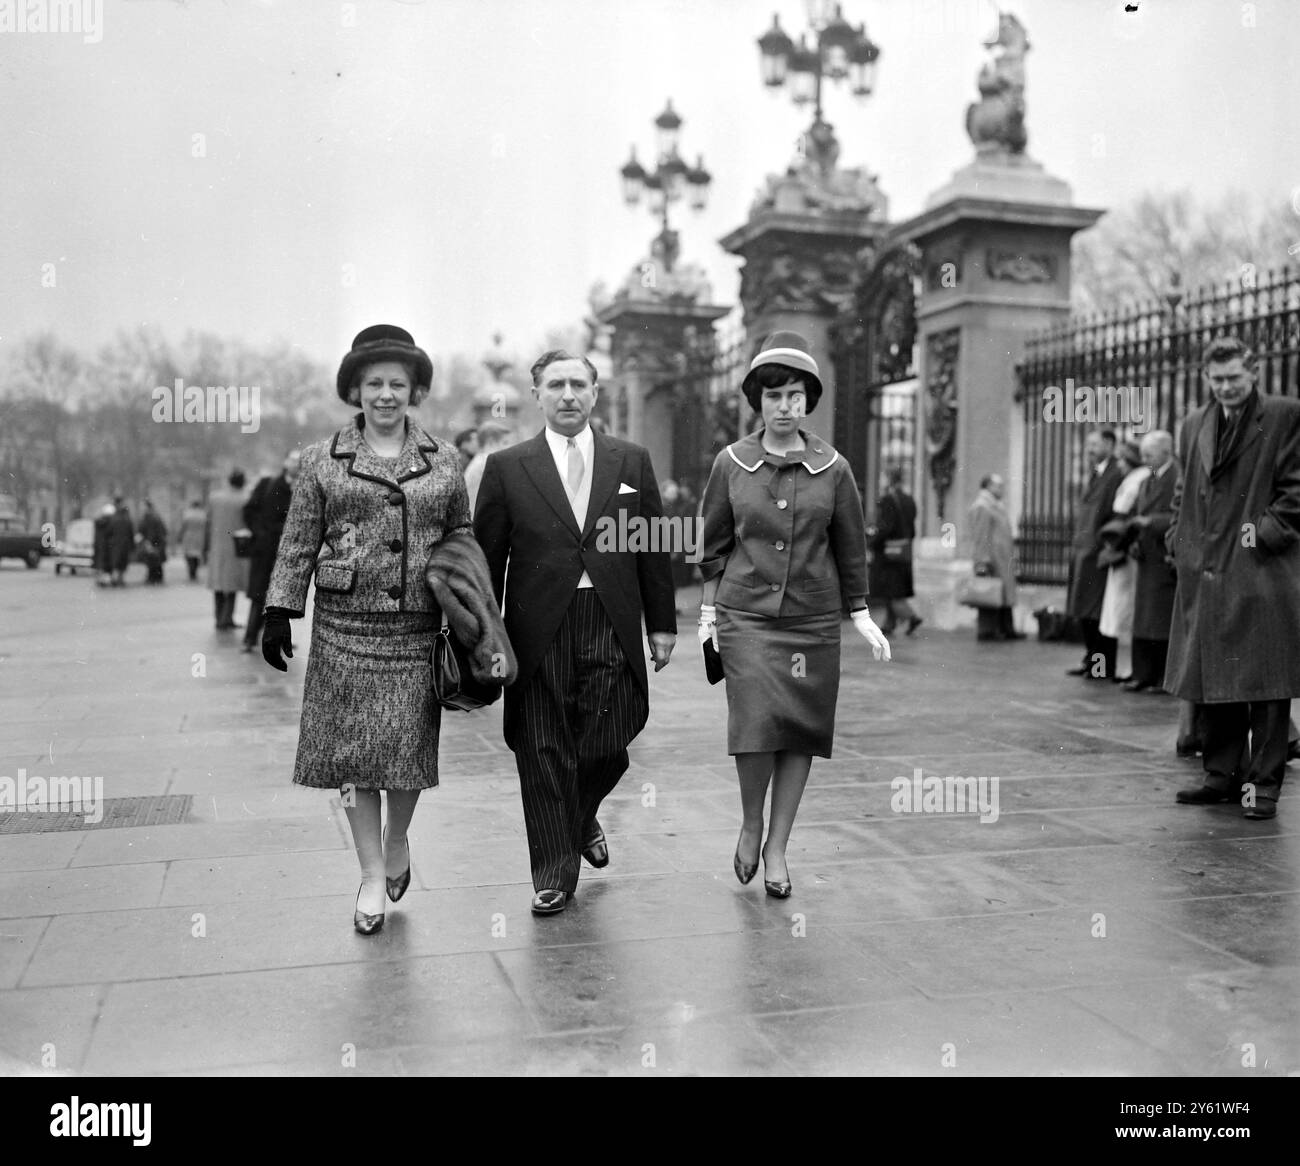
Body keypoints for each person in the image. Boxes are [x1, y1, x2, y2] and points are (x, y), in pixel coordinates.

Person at [263, 324, 511, 935]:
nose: (385, 395)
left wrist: (473, 608)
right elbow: (298, 542)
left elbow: (461, 537)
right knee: (352, 761)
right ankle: (372, 876)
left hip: (415, 629)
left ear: (415, 389)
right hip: (345, 627)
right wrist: (279, 608)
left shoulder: (445, 459)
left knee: (405, 756)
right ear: (355, 388)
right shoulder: (322, 460)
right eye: (373, 383)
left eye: (397, 383)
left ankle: (397, 839)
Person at [474, 348, 677, 916]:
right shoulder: (508, 467)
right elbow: (487, 561)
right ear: (536, 394)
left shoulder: (630, 461)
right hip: (536, 628)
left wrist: (661, 625)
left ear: (595, 393)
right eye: (556, 385)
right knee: (540, 746)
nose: (568, 395)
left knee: (612, 735)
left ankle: (582, 813)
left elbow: (652, 546)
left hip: (609, 618)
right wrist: (486, 636)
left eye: (579, 385)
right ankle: (553, 871)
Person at [697, 332, 891, 899]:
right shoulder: (730, 463)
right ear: (757, 401)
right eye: (775, 395)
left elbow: (851, 544)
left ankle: (778, 845)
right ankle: (751, 821)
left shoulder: (834, 467)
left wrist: (860, 612)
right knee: (756, 728)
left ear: (810, 401)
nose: (786, 406)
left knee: (801, 731)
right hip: (747, 617)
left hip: (811, 619)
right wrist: (707, 614)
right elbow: (710, 543)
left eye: (797, 395)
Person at [1167, 335, 1300, 820]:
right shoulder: (1193, 424)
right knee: (1214, 672)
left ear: (1255, 371)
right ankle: (1221, 775)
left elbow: (1295, 491)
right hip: (1204, 567)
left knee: (1265, 679)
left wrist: (1262, 537)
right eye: (1216, 379)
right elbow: (1183, 490)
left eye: (1234, 378)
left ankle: (1262, 786)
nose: (1225, 388)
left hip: (1260, 567)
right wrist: (1175, 540)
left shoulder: (1285, 415)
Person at [1065, 428, 1123, 679]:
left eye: (1095, 444)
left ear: (1110, 445)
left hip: (1097, 554)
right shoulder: (1096, 474)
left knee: (1098, 615)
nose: (1089, 450)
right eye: (1087, 445)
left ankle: (1101, 667)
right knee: (1086, 615)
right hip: (1083, 554)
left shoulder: (1115, 474)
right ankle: (1091, 661)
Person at [1123, 430, 1179, 693]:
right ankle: (1142, 673)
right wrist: (1135, 538)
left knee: (1161, 619)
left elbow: (1182, 515)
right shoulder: (1148, 479)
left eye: (1149, 453)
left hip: (1164, 556)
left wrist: (1152, 522)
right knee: (1144, 618)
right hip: (1146, 556)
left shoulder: (1177, 477)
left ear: (1167, 452)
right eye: (1143, 453)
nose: (1144, 458)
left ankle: (1160, 678)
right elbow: (1137, 512)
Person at [1098, 439, 1150, 681]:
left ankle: (1129, 667)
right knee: (1120, 609)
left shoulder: (1138, 478)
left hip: (1127, 550)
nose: (1118, 464)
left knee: (1125, 609)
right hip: (1121, 548)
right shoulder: (1131, 479)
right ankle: (1124, 666)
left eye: (1121, 459)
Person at [241, 450, 301, 653]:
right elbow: (249, 510)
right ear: (285, 462)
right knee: (260, 596)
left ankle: (279, 638)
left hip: (288, 552)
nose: (295, 464)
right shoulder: (268, 484)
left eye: (298, 460)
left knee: (283, 598)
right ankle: (249, 638)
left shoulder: (304, 488)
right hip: (266, 551)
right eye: (292, 459)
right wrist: (260, 534)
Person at [867, 467, 922, 636]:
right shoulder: (909, 499)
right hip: (903, 552)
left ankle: (912, 617)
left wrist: (871, 542)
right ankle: (888, 624)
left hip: (888, 554)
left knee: (890, 591)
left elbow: (885, 528)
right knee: (894, 590)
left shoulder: (887, 500)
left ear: (890, 479)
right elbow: (912, 530)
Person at [968, 472, 1023, 641]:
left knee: (1002, 593)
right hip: (992, 559)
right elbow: (980, 536)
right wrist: (982, 561)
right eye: (998, 486)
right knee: (990, 593)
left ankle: (1006, 629)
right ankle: (988, 631)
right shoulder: (982, 506)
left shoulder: (995, 505)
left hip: (1002, 558)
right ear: (988, 487)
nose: (1002, 489)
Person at [207, 469, 250, 629]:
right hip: (237, 544)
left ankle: (219, 616)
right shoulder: (245, 498)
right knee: (231, 584)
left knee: (218, 583)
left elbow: (209, 520)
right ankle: (227, 617)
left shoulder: (215, 498)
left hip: (217, 544)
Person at [462, 420, 513, 513]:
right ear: (491, 442)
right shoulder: (488, 463)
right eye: (505, 443)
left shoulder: (480, 461)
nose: (509, 447)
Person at [106, 497, 135, 587]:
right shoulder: (127, 519)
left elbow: (109, 532)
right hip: (124, 545)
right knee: (122, 564)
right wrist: (132, 545)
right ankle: (120, 579)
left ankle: (115, 579)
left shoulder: (113, 518)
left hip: (115, 545)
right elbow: (131, 533)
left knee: (116, 563)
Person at [138, 499, 168, 585]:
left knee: (152, 560)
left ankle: (153, 577)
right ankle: (157, 577)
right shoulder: (156, 516)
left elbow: (149, 530)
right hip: (158, 541)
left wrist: (149, 542)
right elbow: (163, 530)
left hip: (154, 542)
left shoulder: (149, 517)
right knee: (156, 561)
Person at [178, 499, 207, 582]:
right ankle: (194, 570)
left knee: (189, 555)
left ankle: (191, 571)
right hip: (200, 537)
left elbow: (183, 527)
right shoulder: (203, 515)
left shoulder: (187, 514)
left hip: (189, 536)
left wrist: (180, 536)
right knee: (197, 555)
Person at [93, 502, 116, 587]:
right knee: (106, 565)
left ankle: (102, 579)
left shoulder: (99, 523)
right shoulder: (110, 524)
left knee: (101, 565)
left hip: (100, 547)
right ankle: (105, 580)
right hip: (107, 548)